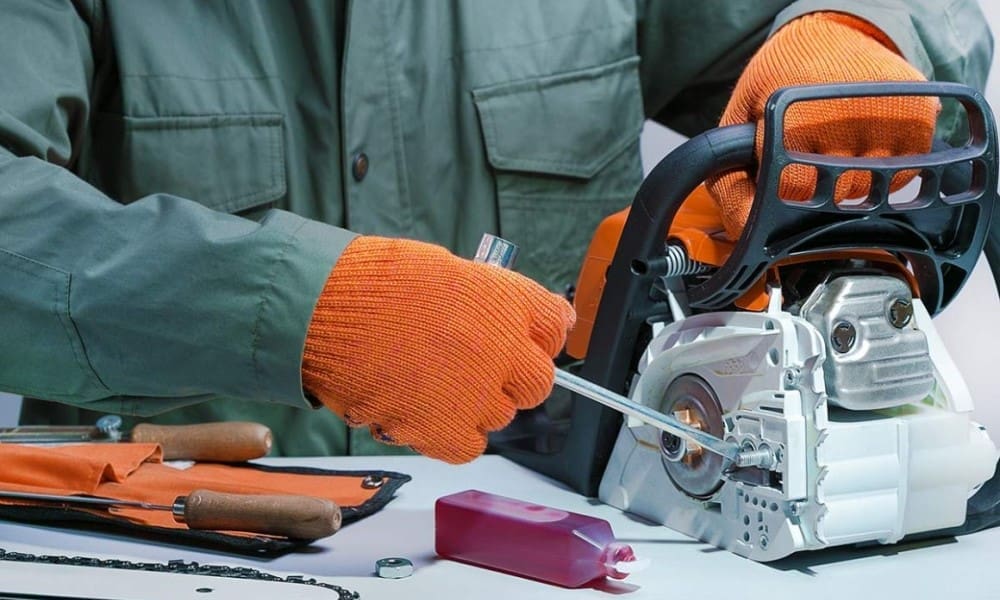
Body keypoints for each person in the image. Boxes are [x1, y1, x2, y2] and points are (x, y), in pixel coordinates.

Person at [0, 1, 990, 463]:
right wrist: (307, 312)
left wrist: (846, 35)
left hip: (566, 549)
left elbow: (911, 22)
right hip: (161, 545)